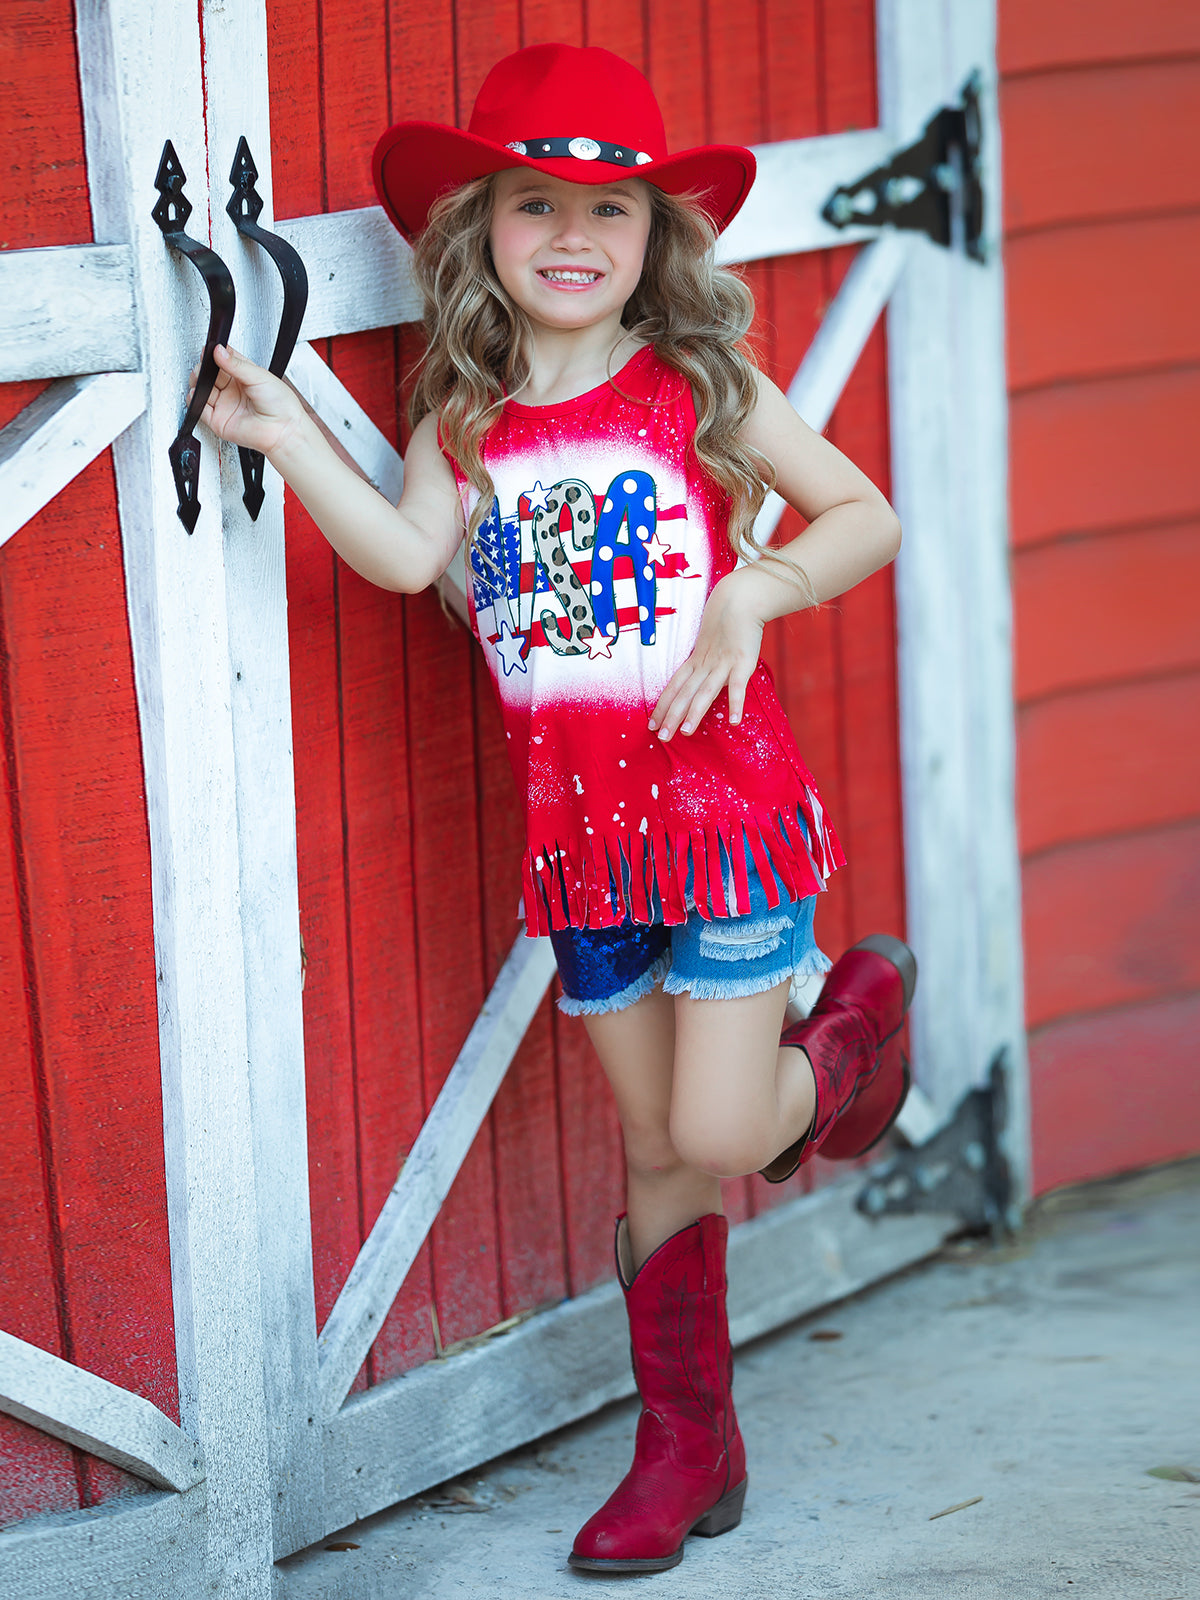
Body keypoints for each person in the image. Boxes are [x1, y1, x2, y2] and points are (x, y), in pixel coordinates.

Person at [196, 42, 916, 1575]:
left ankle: (849, 1037)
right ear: (481, 229)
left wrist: (757, 592)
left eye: (610, 208)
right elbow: (408, 558)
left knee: (721, 1124)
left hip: (724, 823)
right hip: (585, 850)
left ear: (657, 238)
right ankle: (687, 1448)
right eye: (535, 203)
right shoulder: (465, 424)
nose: (573, 235)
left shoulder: (698, 391)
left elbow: (865, 511)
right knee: (655, 1143)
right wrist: (288, 434)